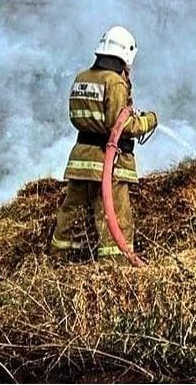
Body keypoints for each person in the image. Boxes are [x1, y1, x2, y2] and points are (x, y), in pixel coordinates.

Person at [50, 26, 158, 261]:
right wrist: (149, 120)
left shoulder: (82, 78)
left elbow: (80, 118)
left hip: (81, 161)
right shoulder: (115, 82)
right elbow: (120, 125)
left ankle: (61, 261)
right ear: (126, 54)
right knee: (114, 219)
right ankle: (114, 270)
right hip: (109, 165)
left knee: (72, 214)